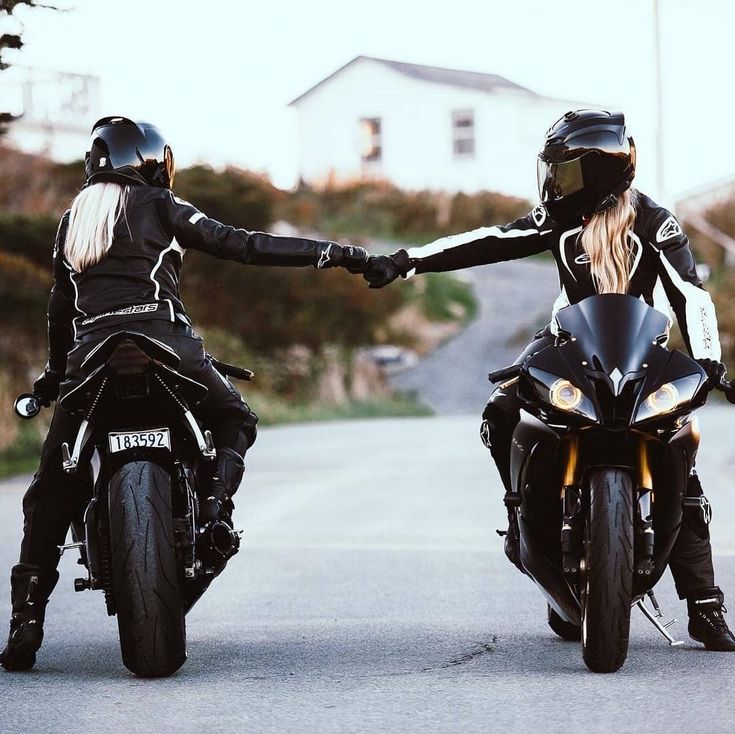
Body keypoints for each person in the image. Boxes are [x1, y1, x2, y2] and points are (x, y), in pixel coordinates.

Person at [0, 116, 369, 672]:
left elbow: (59, 310)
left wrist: (54, 378)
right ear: (153, 161)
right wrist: (334, 253)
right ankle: (217, 513)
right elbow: (242, 246)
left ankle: (27, 622)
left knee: (53, 485)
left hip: (90, 357)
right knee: (235, 419)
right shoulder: (162, 206)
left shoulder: (73, 220)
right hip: (164, 343)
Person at [364, 109, 735, 651]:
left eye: (566, 170)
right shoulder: (558, 220)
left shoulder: (656, 222)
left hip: (642, 346)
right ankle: (520, 516)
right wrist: (405, 261)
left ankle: (706, 607)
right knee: (502, 407)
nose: (555, 181)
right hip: (570, 340)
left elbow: (692, 293)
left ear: (599, 170)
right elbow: (487, 241)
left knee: (677, 444)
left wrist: (709, 361)